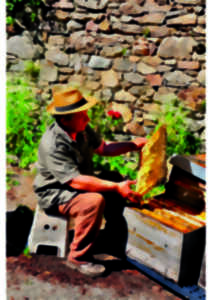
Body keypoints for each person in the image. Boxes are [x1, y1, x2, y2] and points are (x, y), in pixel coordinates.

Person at [34, 85, 147, 277]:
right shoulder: (53, 143)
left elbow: (104, 148)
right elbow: (76, 182)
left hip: (78, 183)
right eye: (82, 115)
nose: (87, 119)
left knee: (113, 178)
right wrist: (115, 188)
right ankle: (79, 258)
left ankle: (113, 236)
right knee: (93, 202)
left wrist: (133, 145)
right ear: (64, 120)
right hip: (55, 193)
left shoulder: (82, 128)